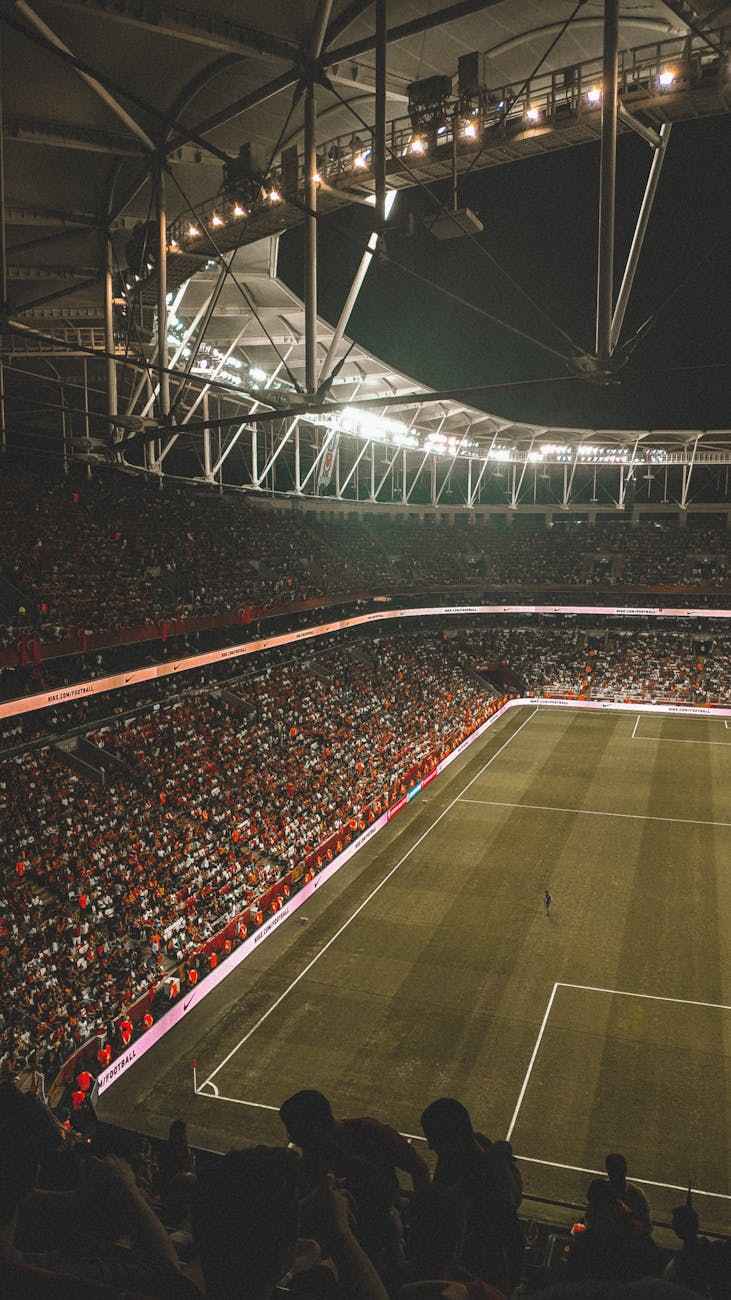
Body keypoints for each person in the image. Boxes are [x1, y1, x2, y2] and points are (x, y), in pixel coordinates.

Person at [420, 1098, 523, 1291]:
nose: (431, 1146)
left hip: (476, 1276)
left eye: (434, 1139)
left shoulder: (478, 1181)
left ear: (453, 1139)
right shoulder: (477, 1156)